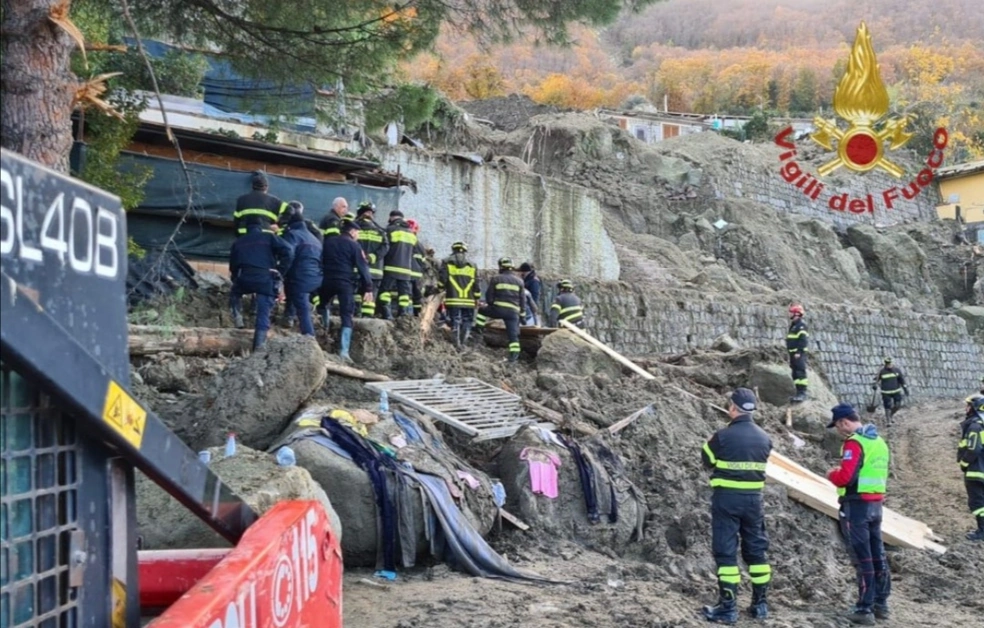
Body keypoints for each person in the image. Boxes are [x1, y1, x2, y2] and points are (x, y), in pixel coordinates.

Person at [699, 388, 773, 624]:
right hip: (754, 501)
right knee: (756, 551)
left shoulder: (722, 436)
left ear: (733, 408)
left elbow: (707, 460)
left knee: (726, 551)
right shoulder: (765, 438)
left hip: (727, 500)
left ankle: (728, 607)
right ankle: (760, 605)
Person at [826, 403, 891, 625]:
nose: (838, 431)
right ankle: (881, 603)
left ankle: (864, 609)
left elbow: (845, 477)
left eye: (837, 426)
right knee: (877, 554)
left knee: (862, 558)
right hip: (876, 505)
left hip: (856, 506)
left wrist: (831, 474)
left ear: (844, 422)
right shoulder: (879, 442)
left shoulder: (854, 443)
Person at [229, 223, 294, 351]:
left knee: (234, 293)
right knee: (263, 314)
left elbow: (233, 266)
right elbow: (289, 251)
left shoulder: (239, 242)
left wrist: (236, 279)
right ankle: (258, 348)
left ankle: (237, 317)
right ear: (260, 229)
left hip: (245, 277)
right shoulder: (269, 237)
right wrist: (280, 270)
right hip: (265, 278)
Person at [320, 222, 373, 362]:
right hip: (345, 283)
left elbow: (320, 260)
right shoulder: (354, 245)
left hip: (327, 280)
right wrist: (368, 288)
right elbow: (363, 267)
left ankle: (323, 334)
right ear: (353, 231)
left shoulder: (329, 242)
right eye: (358, 233)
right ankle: (343, 351)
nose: (358, 236)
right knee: (347, 315)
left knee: (323, 305)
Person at [279, 201, 322, 336]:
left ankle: (309, 338)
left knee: (302, 307)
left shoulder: (293, 235)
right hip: (315, 277)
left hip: (301, 277)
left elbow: (287, 254)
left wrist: (279, 273)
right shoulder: (313, 238)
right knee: (297, 296)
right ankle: (289, 317)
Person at [475, 257, 526, 362]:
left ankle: (478, 329)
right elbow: (522, 300)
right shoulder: (520, 281)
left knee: (481, 311)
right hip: (513, 313)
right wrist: (522, 315)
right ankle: (514, 357)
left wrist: (491, 304)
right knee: (513, 335)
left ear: (501, 267)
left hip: (498, 310)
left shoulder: (496, 279)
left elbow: (489, 297)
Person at [438, 241, 481, 348]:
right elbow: (476, 283)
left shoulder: (447, 262)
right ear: (465, 251)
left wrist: (439, 289)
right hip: (469, 300)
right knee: (467, 320)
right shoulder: (472, 265)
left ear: (453, 250)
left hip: (453, 299)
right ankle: (463, 343)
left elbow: (442, 279)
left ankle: (456, 344)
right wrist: (477, 297)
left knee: (454, 320)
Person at [353, 201, 389, 317]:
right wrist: (373, 257)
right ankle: (367, 319)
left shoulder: (353, 228)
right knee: (370, 297)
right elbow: (386, 247)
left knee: (357, 294)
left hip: (357, 269)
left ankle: (355, 314)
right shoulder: (380, 231)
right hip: (375, 271)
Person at [378, 210, 416, 319]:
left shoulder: (389, 230)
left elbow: (384, 247)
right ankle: (403, 315)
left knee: (385, 292)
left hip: (391, 267)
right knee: (404, 294)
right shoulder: (411, 233)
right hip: (406, 270)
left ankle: (387, 314)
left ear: (391, 218)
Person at [958, 395, 984, 541]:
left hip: (976, 471)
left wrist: (964, 463)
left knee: (977, 502)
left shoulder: (974, 426)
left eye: (968, 405)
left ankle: (982, 531)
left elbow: (973, 449)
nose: (965, 408)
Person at [232, 171, 287, 236]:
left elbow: (236, 221)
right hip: (266, 234)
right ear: (266, 187)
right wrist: (279, 224)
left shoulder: (241, 199)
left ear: (252, 186)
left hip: (244, 234)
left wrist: (238, 235)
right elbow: (291, 210)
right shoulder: (275, 201)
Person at [870, 358, 908, 423]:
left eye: (890, 364)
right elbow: (876, 380)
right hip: (886, 392)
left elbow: (902, 380)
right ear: (885, 364)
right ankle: (888, 420)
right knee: (887, 406)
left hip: (896, 391)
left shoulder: (897, 371)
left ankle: (891, 414)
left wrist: (905, 389)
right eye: (888, 364)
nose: (889, 365)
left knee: (897, 405)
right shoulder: (881, 372)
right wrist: (874, 385)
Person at [786, 303, 809, 403]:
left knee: (800, 372)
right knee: (795, 373)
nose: (789, 314)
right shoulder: (794, 326)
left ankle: (802, 393)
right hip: (793, 354)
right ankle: (798, 392)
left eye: (791, 312)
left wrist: (799, 351)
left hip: (797, 353)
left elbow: (803, 340)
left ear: (796, 314)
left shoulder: (801, 326)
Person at [407, 219, 425, 316]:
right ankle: (417, 316)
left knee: (407, 296)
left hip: (407, 274)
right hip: (418, 275)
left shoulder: (405, 242)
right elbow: (423, 263)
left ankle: (408, 316)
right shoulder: (420, 246)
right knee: (417, 297)